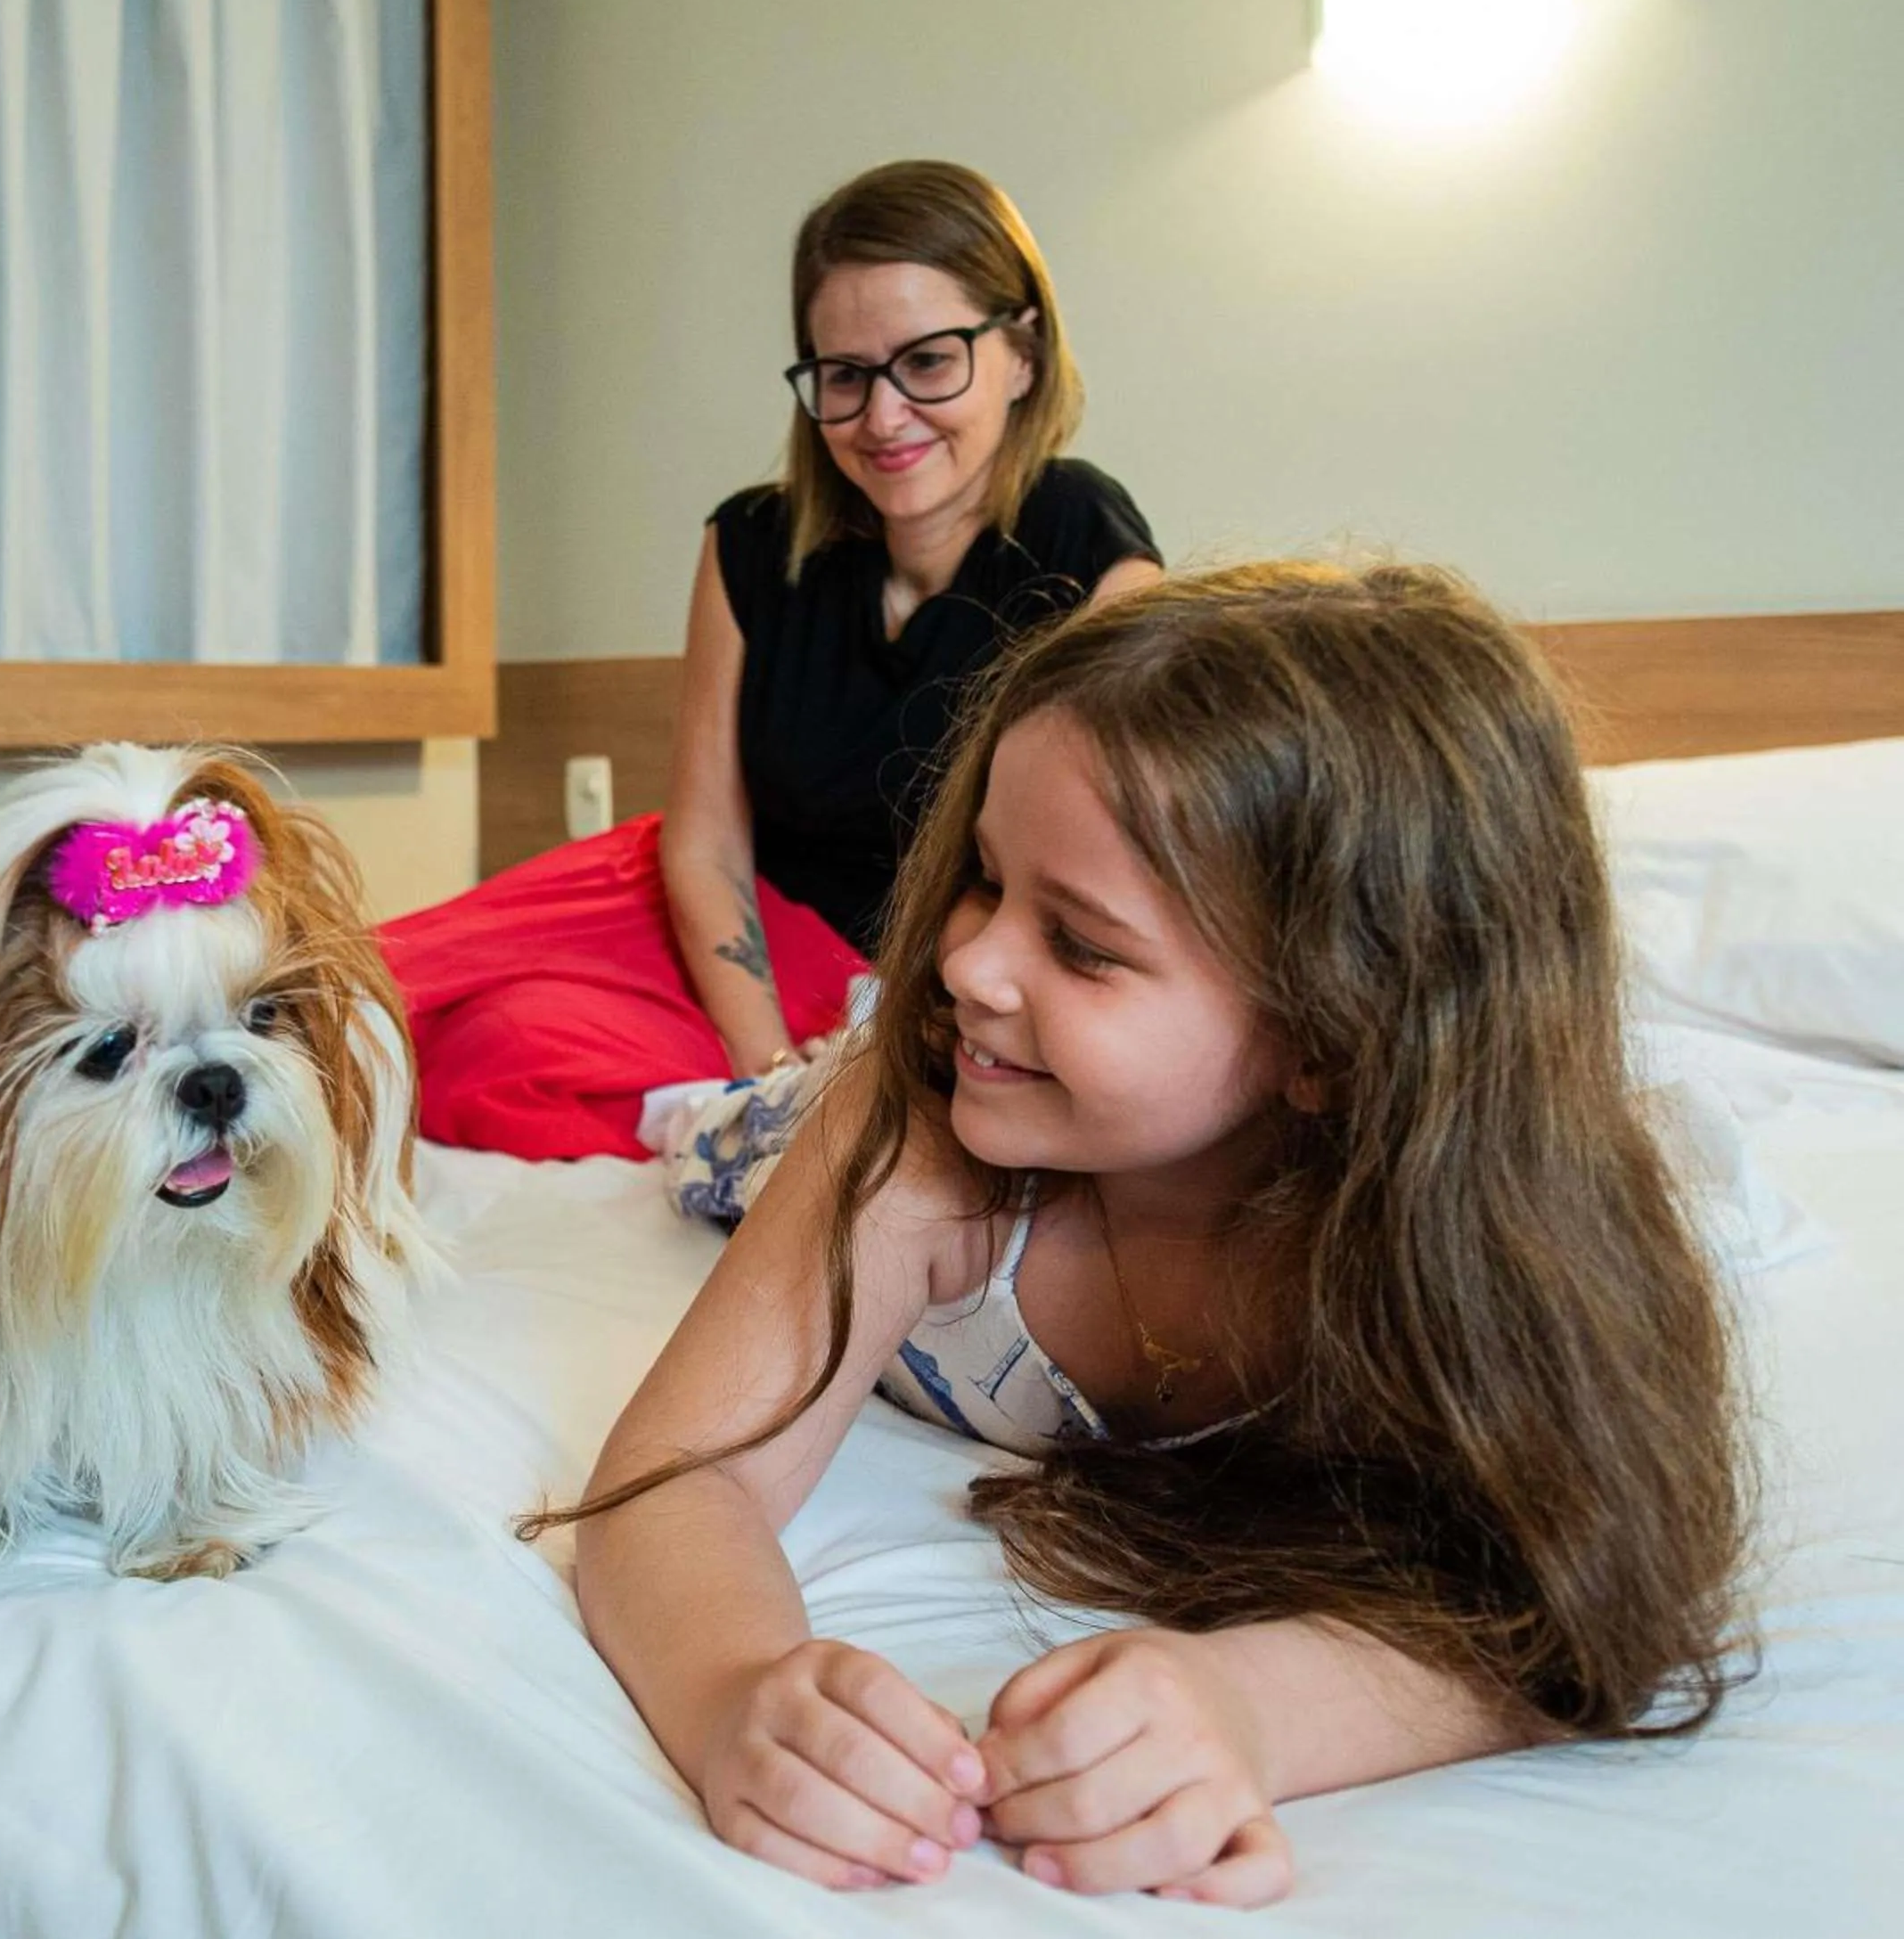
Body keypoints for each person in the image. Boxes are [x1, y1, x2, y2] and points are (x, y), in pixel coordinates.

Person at [550, 565, 1749, 1906]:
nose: (970, 964)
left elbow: (1588, 1607)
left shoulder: (1450, 1253)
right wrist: (732, 1690)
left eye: (1083, 944)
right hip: (803, 1114)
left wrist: (1257, 1703)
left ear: (1333, 1038)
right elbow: (678, 1474)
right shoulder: (918, 1129)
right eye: (985, 882)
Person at [663, 159, 1163, 1080]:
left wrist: (899, 1041)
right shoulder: (750, 542)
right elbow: (703, 843)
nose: (883, 418)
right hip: (751, 975)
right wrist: (772, 1073)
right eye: (844, 376)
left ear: (1023, 355)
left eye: (928, 362)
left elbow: (1097, 874)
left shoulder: (1087, 543)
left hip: (963, 987)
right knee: (487, 1030)